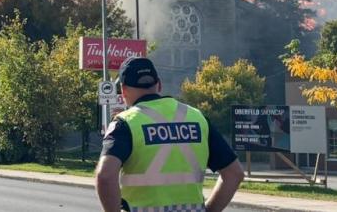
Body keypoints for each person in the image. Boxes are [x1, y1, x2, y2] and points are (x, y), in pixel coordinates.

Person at [95, 57, 244, 212]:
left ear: (124, 90)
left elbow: (105, 176)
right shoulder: (197, 118)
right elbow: (234, 174)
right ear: (159, 84)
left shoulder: (125, 123)